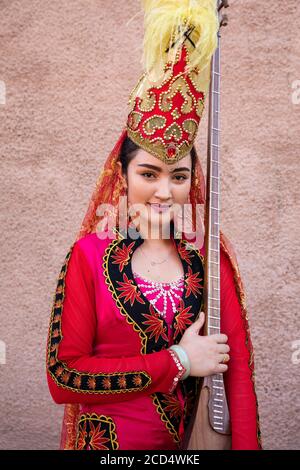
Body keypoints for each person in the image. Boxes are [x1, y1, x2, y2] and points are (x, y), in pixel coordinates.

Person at [46, 0, 262, 450]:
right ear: (122, 176)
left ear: (192, 182)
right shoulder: (89, 256)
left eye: (178, 176)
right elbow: (64, 377)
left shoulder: (208, 256)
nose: (164, 191)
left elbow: (237, 373)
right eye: (149, 174)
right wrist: (179, 360)